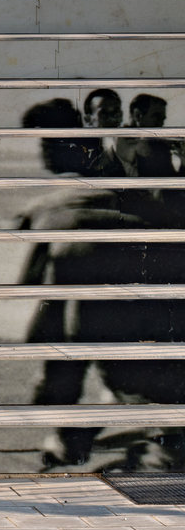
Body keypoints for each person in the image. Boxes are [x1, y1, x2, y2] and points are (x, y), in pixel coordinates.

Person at [20, 98, 185, 470]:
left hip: (105, 291)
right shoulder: (104, 182)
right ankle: (153, 451)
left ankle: (72, 439)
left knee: (104, 373)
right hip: (131, 287)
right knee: (130, 378)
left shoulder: (53, 205)